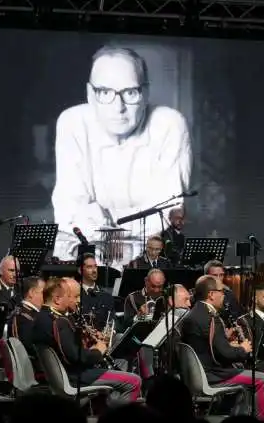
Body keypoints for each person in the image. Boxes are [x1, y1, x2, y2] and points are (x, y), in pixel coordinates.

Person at [52, 46, 192, 267]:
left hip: (147, 256)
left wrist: (108, 229)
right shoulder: (72, 123)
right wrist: (113, 233)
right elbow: (70, 206)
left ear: (145, 93)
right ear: (90, 94)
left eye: (130, 93)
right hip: (87, 254)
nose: (119, 107)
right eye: (105, 92)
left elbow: (167, 207)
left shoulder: (169, 124)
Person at [32, 277, 141, 403]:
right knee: (134, 381)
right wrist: (97, 351)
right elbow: (75, 357)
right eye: (71, 296)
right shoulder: (59, 321)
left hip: (66, 374)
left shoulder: (42, 317)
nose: (77, 301)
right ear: (57, 299)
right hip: (75, 376)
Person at [180, 275, 264, 419]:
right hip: (212, 375)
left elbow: (208, 345)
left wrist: (225, 339)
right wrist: (243, 349)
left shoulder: (195, 314)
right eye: (222, 291)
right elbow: (225, 354)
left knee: (243, 374)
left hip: (198, 374)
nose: (224, 296)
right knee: (262, 379)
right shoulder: (211, 317)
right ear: (211, 294)